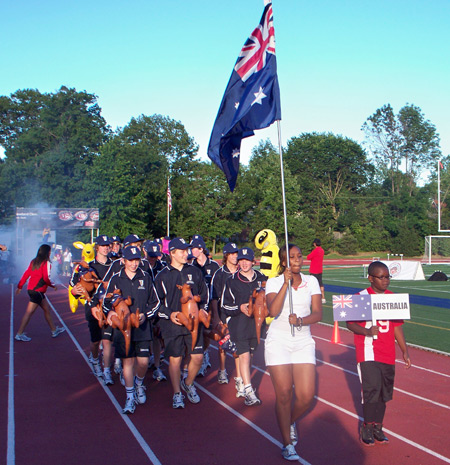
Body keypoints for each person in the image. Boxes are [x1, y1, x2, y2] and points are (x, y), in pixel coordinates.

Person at [265, 244, 322, 461]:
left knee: (306, 396)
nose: (297, 260)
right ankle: (287, 444)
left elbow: (318, 313)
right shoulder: (274, 281)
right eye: (291, 257)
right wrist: (285, 284)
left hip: (303, 341)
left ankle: (288, 421)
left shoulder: (312, 282)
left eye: (299, 256)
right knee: (284, 393)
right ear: (283, 262)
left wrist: (300, 320)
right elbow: (272, 310)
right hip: (278, 341)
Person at [346, 261, 411, 446]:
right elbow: (350, 323)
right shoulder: (362, 297)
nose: (386, 281)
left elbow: (397, 326)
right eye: (381, 277)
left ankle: (378, 427)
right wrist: (367, 332)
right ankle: (367, 426)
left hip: (388, 352)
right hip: (368, 351)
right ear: (371, 278)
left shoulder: (392, 298)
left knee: (384, 393)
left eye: (388, 276)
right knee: (371, 390)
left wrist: (404, 350)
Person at [104, 245, 160, 414]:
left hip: (142, 327)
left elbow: (155, 302)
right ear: (123, 261)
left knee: (142, 361)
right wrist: (111, 312)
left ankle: (139, 383)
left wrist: (145, 315)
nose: (134, 264)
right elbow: (106, 303)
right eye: (130, 261)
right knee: (128, 362)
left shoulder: (146, 277)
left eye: (136, 260)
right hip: (123, 329)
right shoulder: (116, 279)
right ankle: (129, 397)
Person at [154, 237, 209, 409]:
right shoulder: (162, 276)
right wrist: (170, 315)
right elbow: (156, 302)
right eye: (182, 251)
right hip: (173, 324)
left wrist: (203, 309)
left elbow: (205, 294)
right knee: (175, 360)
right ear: (172, 253)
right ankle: (177, 393)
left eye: (187, 250)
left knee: (198, 357)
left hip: (193, 323)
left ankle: (188, 383)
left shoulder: (195, 271)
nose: (186, 254)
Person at [221, 247, 267, 406]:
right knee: (244, 354)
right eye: (241, 260)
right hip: (239, 324)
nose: (244, 263)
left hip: (257, 325)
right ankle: (249, 391)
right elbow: (225, 306)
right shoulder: (231, 280)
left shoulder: (262, 278)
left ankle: (240, 379)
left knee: (250, 355)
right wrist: (239, 308)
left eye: (247, 260)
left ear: (253, 261)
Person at [70, 235, 114, 381]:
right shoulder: (88, 266)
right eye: (103, 245)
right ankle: (95, 359)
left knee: (108, 339)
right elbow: (75, 286)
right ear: (97, 248)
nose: (106, 248)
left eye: (108, 245)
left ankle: (107, 370)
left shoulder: (114, 265)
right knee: (96, 340)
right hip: (93, 307)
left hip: (109, 307)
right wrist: (75, 292)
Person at [15, 244, 65, 341]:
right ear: (47, 252)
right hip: (37, 291)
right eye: (50, 251)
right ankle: (19, 333)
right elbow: (46, 278)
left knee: (47, 309)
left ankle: (54, 330)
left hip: (33, 290)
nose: (51, 253)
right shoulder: (46, 263)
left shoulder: (34, 261)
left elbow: (27, 273)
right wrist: (52, 285)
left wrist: (20, 286)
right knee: (29, 313)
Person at [210, 242, 240, 385]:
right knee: (223, 344)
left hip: (240, 315)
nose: (235, 256)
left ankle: (240, 376)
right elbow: (214, 297)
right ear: (226, 255)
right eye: (232, 253)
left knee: (239, 346)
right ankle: (222, 370)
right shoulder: (219, 274)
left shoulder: (242, 272)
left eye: (236, 253)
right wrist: (216, 317)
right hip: (224, 314)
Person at [190, 235, 220, 376]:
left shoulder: (213, 265)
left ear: (201, 249)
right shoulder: (192, 266)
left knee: (208, 333)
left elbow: (217, 286)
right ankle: (201, 359)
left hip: (211, 305)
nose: (191, 251)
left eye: (194, 248)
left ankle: (205, 353)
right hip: (198, 305)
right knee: (198, 332)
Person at [307, 238, 326, 303]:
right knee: (320, 283)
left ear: (315, 244)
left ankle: (313, 298)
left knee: (312, 284)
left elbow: (308, 257)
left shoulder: (315, 251)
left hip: (314, 269)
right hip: (319, 269)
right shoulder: (322, 250)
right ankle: (323, 297)